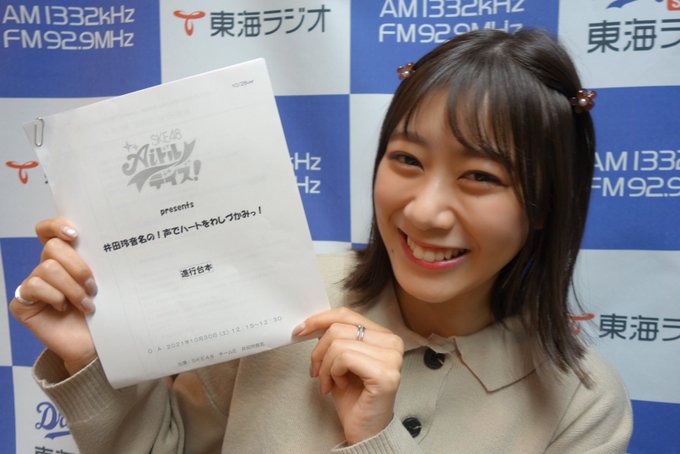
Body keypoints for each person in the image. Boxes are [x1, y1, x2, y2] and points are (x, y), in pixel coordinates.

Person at [10, 29, 632, 453]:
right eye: (407, 160)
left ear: (546, 204)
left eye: (480, 177)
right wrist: (90, 360)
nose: (424, 211)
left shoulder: (584, 407)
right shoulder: (279, 298)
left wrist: (374, 438)